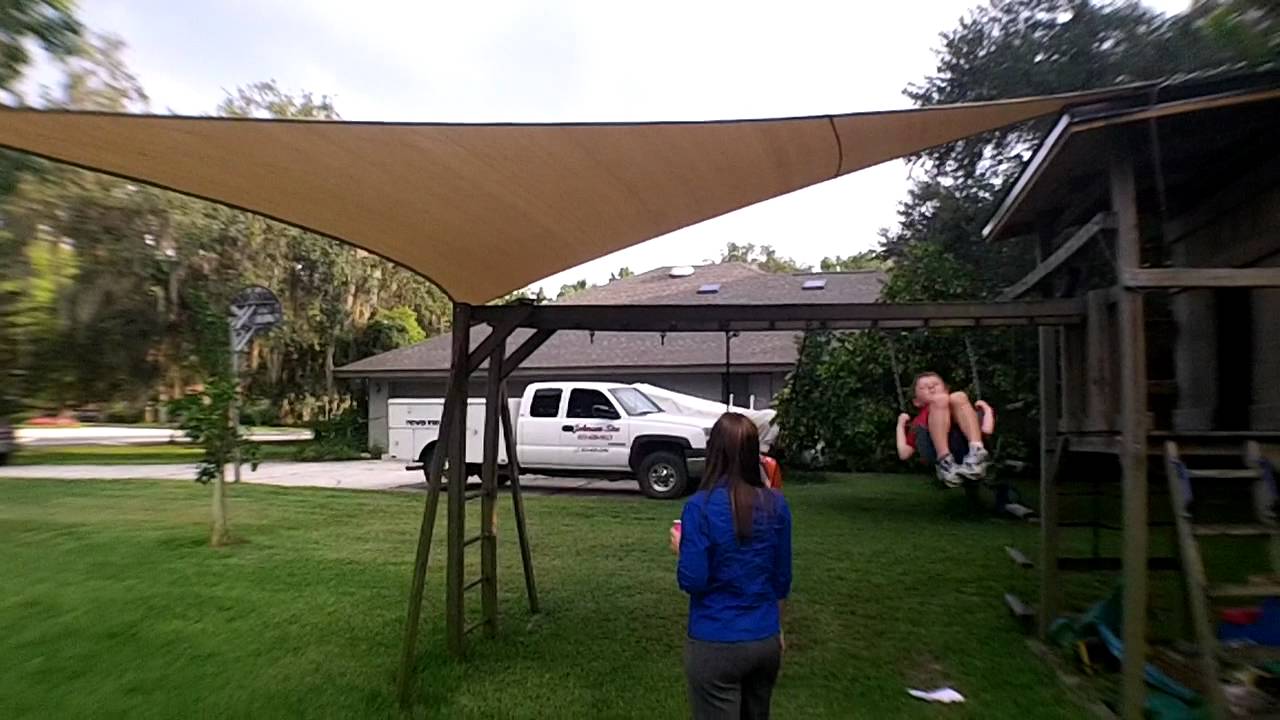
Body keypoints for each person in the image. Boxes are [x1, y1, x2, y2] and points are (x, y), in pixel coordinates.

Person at [669, 413, 792, 720]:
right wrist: (776, 629)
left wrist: (683, 549)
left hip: (716, 641)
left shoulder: (699, 507)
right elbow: (781, 578)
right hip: (763, 639)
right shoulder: (776, 505)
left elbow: (693, 579)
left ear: (714, 452)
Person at [894, 371, 995, 487]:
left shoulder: (963, 410)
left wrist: (987, 410)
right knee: (940, 400)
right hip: (932, 449)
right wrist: (900, 425)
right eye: (923, 387)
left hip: (966, 444)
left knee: (959, 396)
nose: (931, 387)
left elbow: (986, 431)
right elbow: (904, 453)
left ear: (946, 390)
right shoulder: (919, 422)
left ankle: (977, 454)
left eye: (936, 384)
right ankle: (945, 462)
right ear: (916, 401)